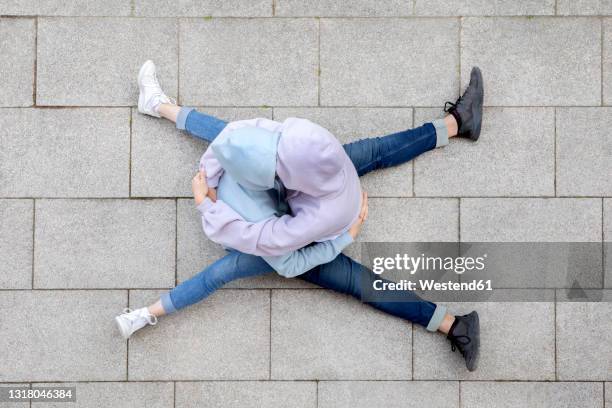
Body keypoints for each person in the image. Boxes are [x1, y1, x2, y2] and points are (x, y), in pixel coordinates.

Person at [115, 60, 483, 371]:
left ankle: (452, 326)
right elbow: (233, 136)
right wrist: (210, 185)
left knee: (352, 281)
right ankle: (456, 124)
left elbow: (288, 261)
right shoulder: (300, 146)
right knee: (376, 149)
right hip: (301, 200)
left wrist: (344, 237)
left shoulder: (295, 223)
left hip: (300, 242)